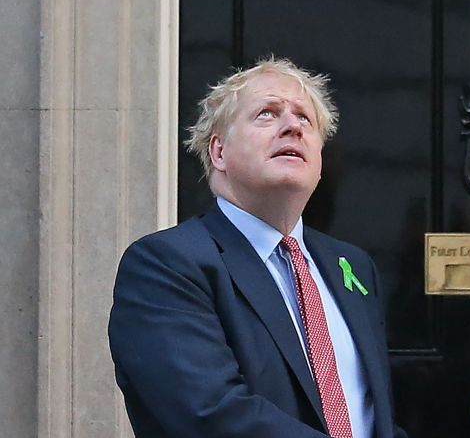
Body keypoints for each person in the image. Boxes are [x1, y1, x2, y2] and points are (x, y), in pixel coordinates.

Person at [109, 57, 407, 438]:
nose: (292, 127)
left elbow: (368, 416)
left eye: (305, 119)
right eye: (267, 113)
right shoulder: (166, 265)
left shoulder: (352, 265)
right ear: (218, 153)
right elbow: (210, 414)